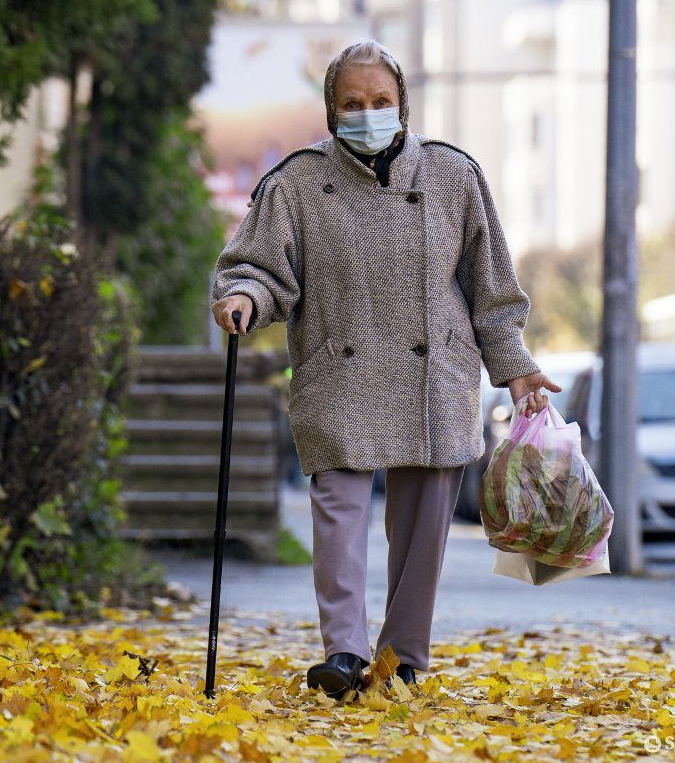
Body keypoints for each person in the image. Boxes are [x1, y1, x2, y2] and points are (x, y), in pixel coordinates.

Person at [209, 40, 561, 699]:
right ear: (331, 108)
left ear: (402, 104)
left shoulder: (454, 175)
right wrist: (244, 299)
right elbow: (254, 268)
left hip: (435, 376)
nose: (367, 113)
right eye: (352, 103)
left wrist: (515, 368)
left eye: (380, 102)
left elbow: (491, 285)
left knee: (423, 526)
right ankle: (343, 653)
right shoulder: (296, 182)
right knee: (339, 511)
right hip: (336, 369)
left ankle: (400, 659)